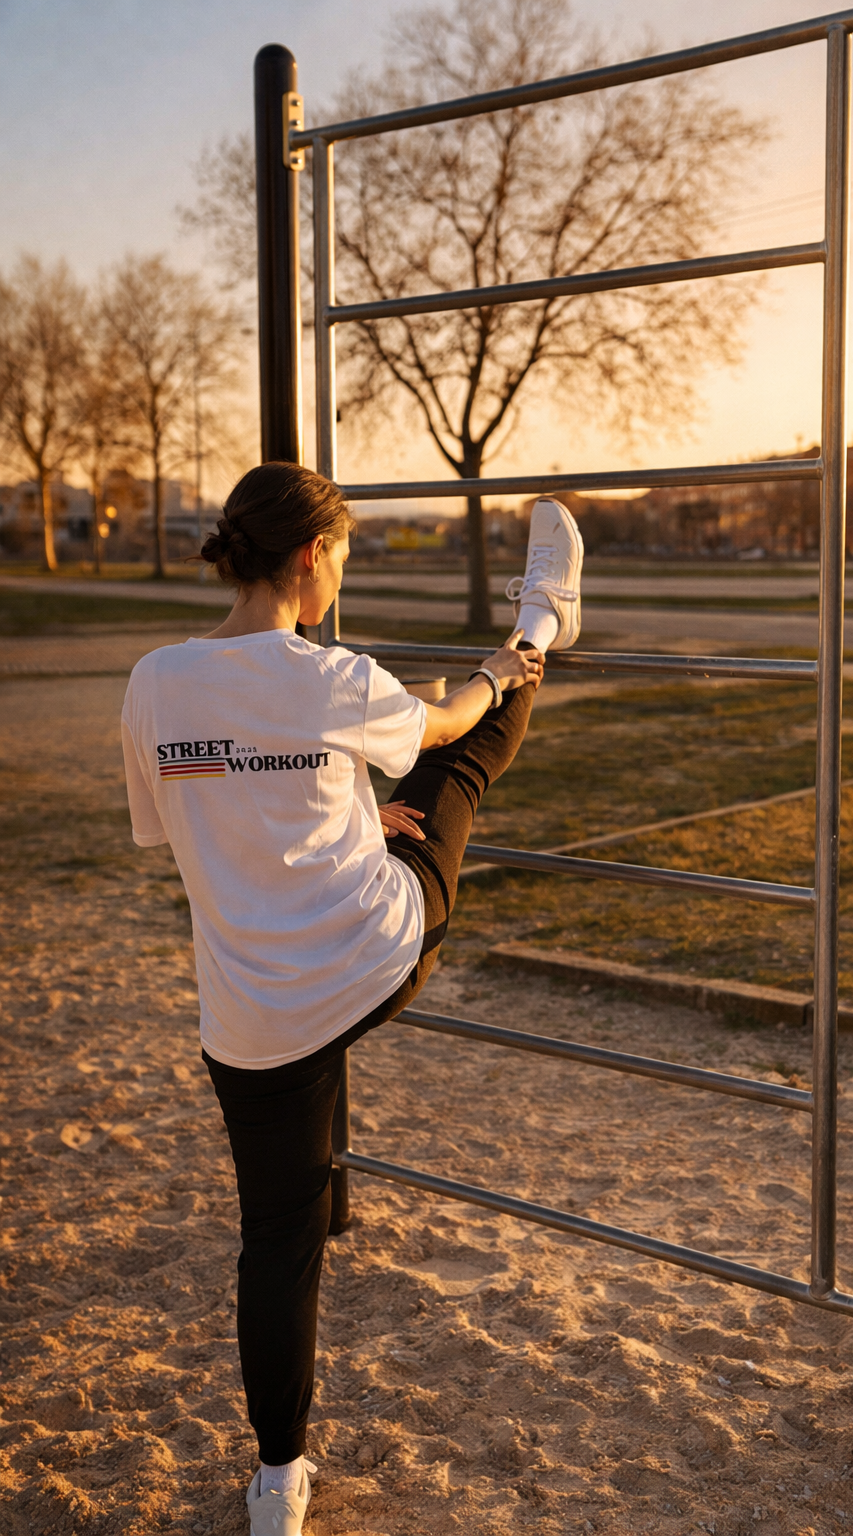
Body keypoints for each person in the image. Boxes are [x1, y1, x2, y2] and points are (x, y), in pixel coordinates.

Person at [119, 462, 584, 1536]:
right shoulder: (334, 676)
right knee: (454, 779)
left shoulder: (153, 680)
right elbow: (440, 726)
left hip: (248, 1016)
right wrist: (495, 668)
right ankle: (544, 623)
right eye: (344, 555)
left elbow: (176, 831)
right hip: (371, 952)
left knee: (274, 1241)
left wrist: (318, 820)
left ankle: (278, 1479)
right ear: (313, 557)